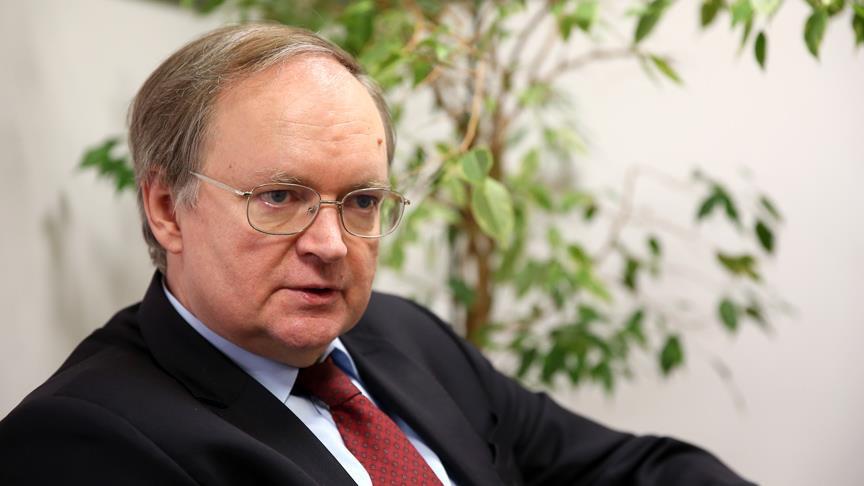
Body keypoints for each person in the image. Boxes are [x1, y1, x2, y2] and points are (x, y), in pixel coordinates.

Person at [0, 23, 754, 485]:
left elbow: (628, 468)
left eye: (361, 201)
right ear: (167, 208)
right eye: (280, 197)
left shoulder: (405, 336)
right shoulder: (81, 439)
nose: (331, 245)